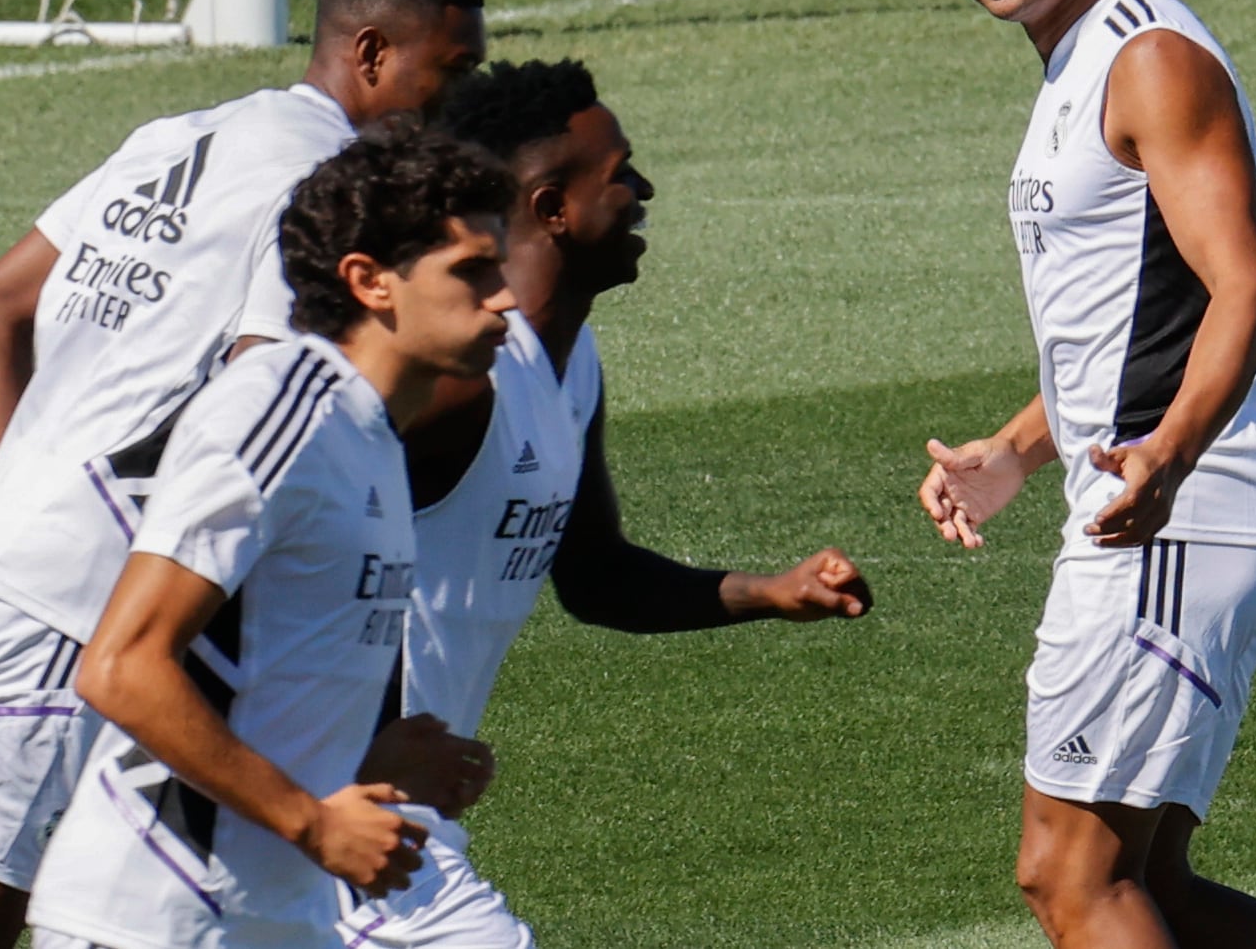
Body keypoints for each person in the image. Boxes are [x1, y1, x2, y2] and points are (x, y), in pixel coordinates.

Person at [0, 0, 486, 949]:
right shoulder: (318, 186)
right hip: (74, 595)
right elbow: (264, 391)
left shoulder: (187, 134)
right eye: (448, 74)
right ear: (370, 53)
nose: (454, 105)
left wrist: (36, 502)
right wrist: (84, 553)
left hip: (44, 562)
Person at [229, 59, 874, 948]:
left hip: (379, 816)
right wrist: (356, 748)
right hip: (341, 814)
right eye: (620, 175)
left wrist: (769, 592)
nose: (643, 190)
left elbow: (594, 575)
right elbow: (265, 558)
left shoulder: (568, 369)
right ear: (550, 208)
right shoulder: (461, 387)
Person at [917, 0, 1256, 949]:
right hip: (1172, 516)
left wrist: (1167, 464)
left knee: (1069, 877)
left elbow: (1247, 290)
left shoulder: (1147, 59)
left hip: (1173, 528)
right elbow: (1140, 323)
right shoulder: (1081, 59)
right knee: (1158, 891)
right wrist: (1014, 451)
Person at [25, 123, 520, 949]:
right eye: (471, 270)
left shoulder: (368, 438)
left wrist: (364, 768)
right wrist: (314, 823)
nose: (504, 295)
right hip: (153, 917)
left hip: (271, 918)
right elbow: (121, 667)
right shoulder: (281, 405)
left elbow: (251, 683)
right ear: (370, 282)